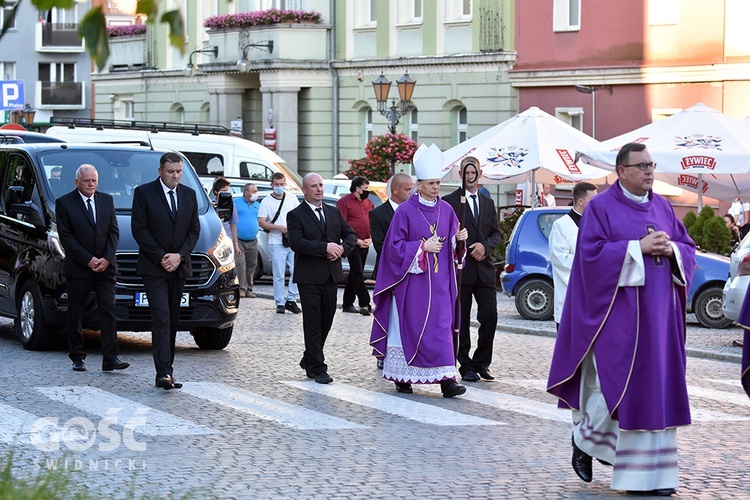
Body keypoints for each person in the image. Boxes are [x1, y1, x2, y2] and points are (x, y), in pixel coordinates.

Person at [547, 143, 696, 496]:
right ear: (622, 171)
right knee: (620, 387)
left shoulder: (662, 205)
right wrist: (637, 249)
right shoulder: (600, 208)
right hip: (619, 316)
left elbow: (686, 247)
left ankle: (656, 478)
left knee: (658, 390)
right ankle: (587, 440)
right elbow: (590, 257)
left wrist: (671, 250)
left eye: (651, 164)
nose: (649, 171)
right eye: (642, 165)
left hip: (660, 318)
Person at [369, 143, 469, 398]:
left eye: (438, 183)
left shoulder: (447, 210)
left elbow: (454, 248)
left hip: (441, 282)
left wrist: (460, 240)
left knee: (442, 328)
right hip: (412, 284)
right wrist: (422, 247)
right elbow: (393, 249)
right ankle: (403, 377)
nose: (436, 187)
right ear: (419, 185)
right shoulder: (404, 212)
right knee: (412, 328)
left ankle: (447, 379)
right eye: (431, 183)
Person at [132, 152, 200, 390]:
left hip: (179, 267)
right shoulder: (144, 193)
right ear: (160, 171)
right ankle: (162, 373)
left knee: (172, 318)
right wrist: (162, 256)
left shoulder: (189, 195)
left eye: (179, 171)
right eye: (171, 172)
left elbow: (194, 231)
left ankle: (168, 369)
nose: (175, 176)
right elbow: (139, 230)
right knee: (160, 317)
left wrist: (179, 256)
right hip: (154, 267)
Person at [56, 164, 128, 373]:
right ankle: (77, 356)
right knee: (75, 312)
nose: (91, 184)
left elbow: (113, 232)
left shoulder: (107, 200)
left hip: (105, 268)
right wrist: (88, 260)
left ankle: (110, 358)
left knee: (108, 310)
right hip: (79, 268)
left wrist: (106, 258)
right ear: (77, 181)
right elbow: (66, 236)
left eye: (94, 180)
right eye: (87, 181)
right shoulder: (65, 203)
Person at [287, 173, 357, 384]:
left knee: (326, 320)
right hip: (309, 276)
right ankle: (318, 367)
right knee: (312, 321)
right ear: (304, 190)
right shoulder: (296, 215)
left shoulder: (333, 212)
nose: (319, 189)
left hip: (331, 275)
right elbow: (296, 243)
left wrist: (342, 249)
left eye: (321, 185)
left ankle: (309, 358)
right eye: (314, 186)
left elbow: (351, 235)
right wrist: (324, 248)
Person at [443, 157, 503, 383]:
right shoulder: (450, 201)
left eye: (474, 172)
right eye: (466, 173)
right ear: (461, 175)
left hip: (485, 270)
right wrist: (467, 248)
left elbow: (496, 233)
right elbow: (447, 233)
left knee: (490, 316)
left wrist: (485, 247)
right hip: (462, 271)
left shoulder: (487, 202)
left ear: (480, 173)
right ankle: (465, 363)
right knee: (462, 319)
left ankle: (482, 362)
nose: (470, 176)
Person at [369, 172, 414, 370]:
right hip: (389, 272)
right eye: (407, 189)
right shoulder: (378, 214)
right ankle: (383, 351)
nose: (411, 192)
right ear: (395, 190)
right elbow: (381, 246)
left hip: (411, 271)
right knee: (388, 313)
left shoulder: (414, 212)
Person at [548, 182, 598, 327]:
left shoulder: (597, 224)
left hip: (594, 295)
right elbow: (560, 259)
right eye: (592, 199)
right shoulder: (561, 225)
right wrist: (591, 262)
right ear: (581, 201)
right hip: (570, 293)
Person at [258, 172, 300, 314]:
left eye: (281, 184)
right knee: (279, 273)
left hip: (292, 240)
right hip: (276, 241)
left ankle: (292, 299)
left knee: (296, 271)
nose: (279, 187)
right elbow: (262, 222)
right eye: (276, 185)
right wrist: (278, 228)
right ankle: (280, 302)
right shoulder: (266, 202)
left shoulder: (292, 198)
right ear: (271, 185)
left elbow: (298, 216)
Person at [337, 176, 375, 315]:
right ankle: (365, 302)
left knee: (354, 274)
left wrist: (370, 238)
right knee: (358, 272)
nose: (367, 191)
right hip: (352, 243)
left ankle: (347, 303)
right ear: (357, 188)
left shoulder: (368, 203)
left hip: (365, 243)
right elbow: (342, 224)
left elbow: (371, 221)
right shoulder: (344, 202)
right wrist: (355, 240)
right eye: (365, 188)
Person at [211, 177, 240, 279]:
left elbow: (233, 225)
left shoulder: (231, 205)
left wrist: (236, 245)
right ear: (216, 192)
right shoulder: (211, 205)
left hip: (227, 240)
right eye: (223, 191)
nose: (226, 194)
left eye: (227, 191)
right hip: (215, 241)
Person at [235, 183, 260, 298]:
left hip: (253, 240)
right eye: (253, 191)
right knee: (240, 264)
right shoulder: (236, 203)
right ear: (246, 193)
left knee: (252, 265)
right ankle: (241, 288)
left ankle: (249, 289)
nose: (256, 194)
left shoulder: (258, 205)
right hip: (239, 240)